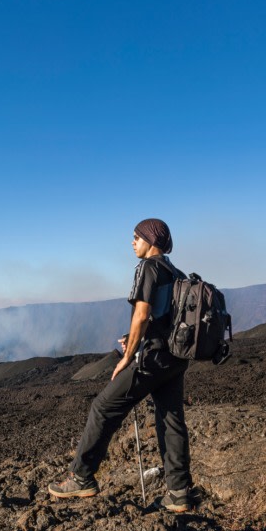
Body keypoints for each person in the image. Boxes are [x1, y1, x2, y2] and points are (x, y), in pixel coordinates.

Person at [48, 217, 195, 512]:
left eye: (137, 237)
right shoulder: (174, 271)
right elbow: (165, 317)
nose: (132, 242)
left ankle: (81, 477)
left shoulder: (149, 267)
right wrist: (134, 337)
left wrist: (128, 357)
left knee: (104, 407)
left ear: (151, 240)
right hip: (175, 358)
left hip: (152, 358)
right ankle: (179, 492)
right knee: (170, 418)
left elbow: (143, 314)